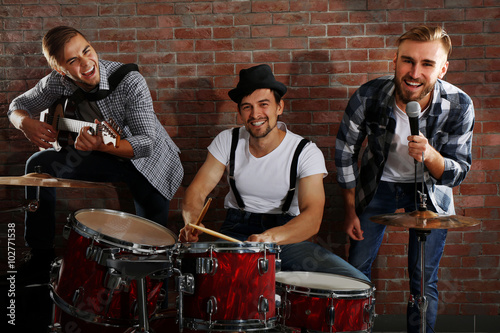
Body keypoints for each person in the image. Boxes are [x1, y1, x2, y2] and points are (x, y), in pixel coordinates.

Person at [8, 26, 183, 285]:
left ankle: (155, 303)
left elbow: (146, 143)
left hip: (149, 162)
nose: (86, 63)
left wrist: (102, 146)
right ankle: (40, 254)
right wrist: (24, 123)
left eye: (86, 50)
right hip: (104, 155)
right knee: (38, 166)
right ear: (61, 70)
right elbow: (16, 106)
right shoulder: (57, 82)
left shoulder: (129, 81)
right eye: (72, 61)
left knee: (152, 250)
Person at [335, 25, 474, 332]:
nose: (414, 72)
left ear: (442, 69)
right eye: (408, 61)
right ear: (394, 60)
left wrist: (432, 156)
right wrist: (349, 210)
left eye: (427, 64)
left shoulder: (459, 105)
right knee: (355, 269)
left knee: (423, 280)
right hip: (377, 186)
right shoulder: (369, 95)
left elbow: (458, 171)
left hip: (430, 190)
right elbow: (345, 153)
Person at [179, 64, 368, 282]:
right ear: (239, 113)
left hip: (286, 237)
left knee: (353, 281)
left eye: (263, 105)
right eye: (247, 107)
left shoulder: (305, 152)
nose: (255, 114)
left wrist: (270, 237)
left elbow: (312, 218)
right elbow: (197, 191)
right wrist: (191, 223)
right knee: (199, 274)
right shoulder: (226, 141)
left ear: (279, 107)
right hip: (235, 234)